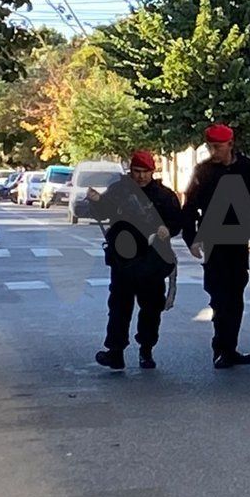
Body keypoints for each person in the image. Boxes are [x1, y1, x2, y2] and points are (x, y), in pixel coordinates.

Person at [85, 151, 183, 370]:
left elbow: (176, 221)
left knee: (151, 307)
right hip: (123, 258)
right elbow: (102, 213)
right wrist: (96, 201)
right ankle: (115, 352)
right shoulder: (119, 191)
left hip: (152, 259)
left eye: (145, 172)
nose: (140, 177)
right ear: (131, 171)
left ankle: (146, 350)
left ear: (152, 172)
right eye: (137, 172)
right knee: (119, 306)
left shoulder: (163, 195)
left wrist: (166, 228)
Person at [182, 124, 250, 369]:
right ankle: (221, 348)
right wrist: (191, 238)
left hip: (236, 240)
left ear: (230, 144)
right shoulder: (204, 171)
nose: (214, 151)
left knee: (236, 295)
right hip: (213, 239)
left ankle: (230, 347)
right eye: (211, 147)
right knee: (219, 296)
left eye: (218, 147)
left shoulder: (245, 168)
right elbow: (190, 206)